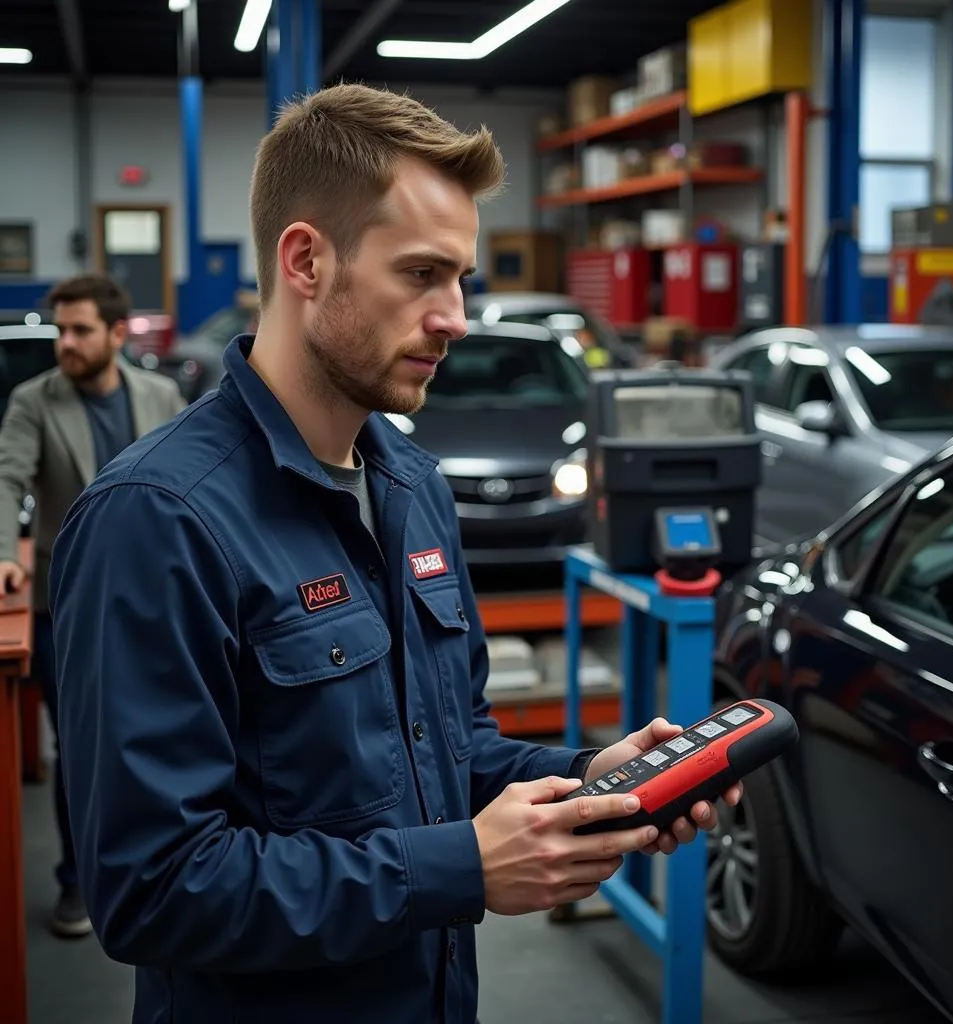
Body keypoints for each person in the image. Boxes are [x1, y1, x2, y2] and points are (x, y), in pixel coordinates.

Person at [49, 84, 742, 1022]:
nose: (455, 316)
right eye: (421, 275)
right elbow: (154, 888)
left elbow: (445, 751)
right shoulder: (157, 520)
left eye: (461, 279)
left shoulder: (413, 486)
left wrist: (587, 781)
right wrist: (463, 866)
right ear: (305, 260)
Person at [0, 272, 185, 938]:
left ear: (115, 334)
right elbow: (6, 475)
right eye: (61, 330)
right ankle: (78, 883)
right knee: (78, 744)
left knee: (167, 735)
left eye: (80, 331)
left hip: (155, 599)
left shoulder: (161, 396)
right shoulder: (33, 402)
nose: (66, 344)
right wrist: (2, 551)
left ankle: (169, 865)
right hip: (64, 601)